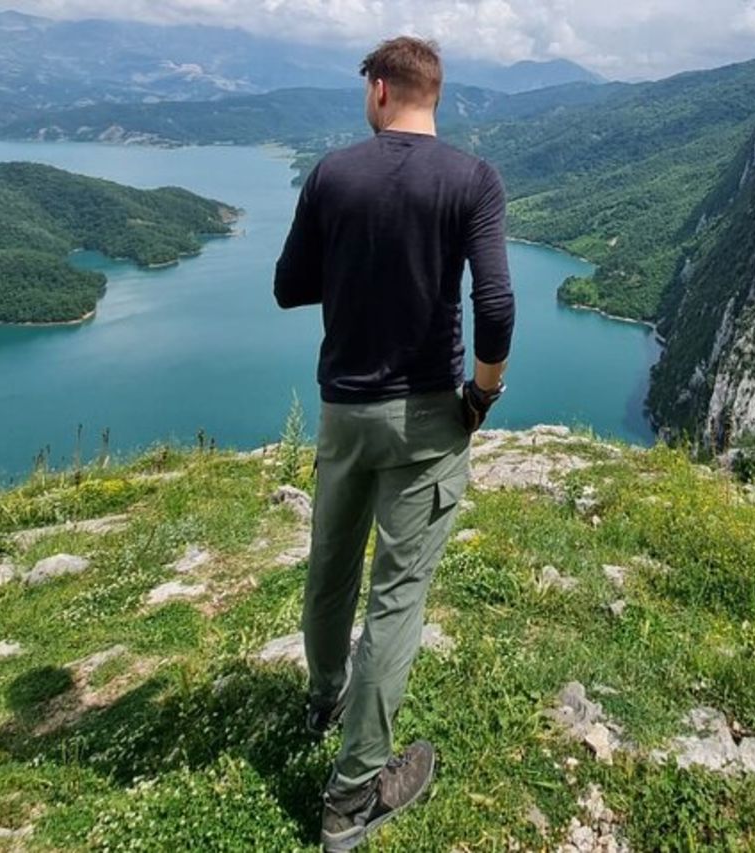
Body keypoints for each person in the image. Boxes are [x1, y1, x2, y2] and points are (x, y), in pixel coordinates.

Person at [273, 35, 515, 853]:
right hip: (424, 421)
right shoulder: (472, 180)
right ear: (429, 95)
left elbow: (287, 286)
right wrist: (482, 390)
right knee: (396, 598)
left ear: (380, 90)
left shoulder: (333, 173)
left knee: (330, 564)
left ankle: (322, 696)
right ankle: (350, 798)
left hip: (345, 410)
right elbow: (498, 306)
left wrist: (354, 266)